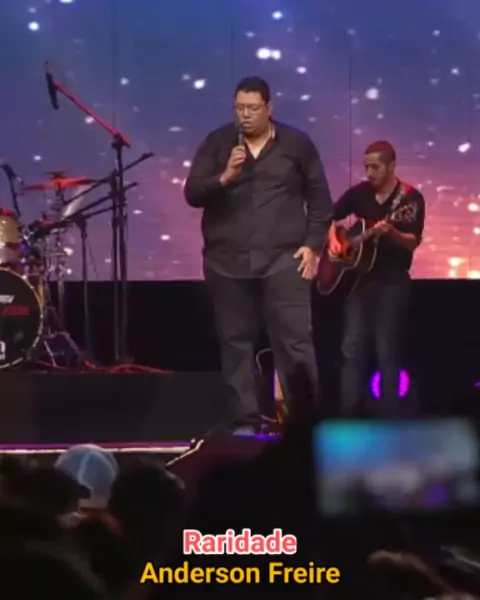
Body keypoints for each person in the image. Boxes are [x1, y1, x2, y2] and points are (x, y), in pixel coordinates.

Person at [184, 76, 333, 433]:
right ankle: (244, 421)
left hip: (284, 260)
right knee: (236, 344)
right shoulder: (218, 143)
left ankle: (303, 424)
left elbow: (321, 201)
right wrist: (224, 177)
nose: (245, 115)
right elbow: (192, 193)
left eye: (252, 108)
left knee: (294, 344)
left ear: (269, 108)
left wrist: (312, 245)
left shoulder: (296, 144)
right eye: (239, 108)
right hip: (227, 262)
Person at [328, 140, 425, 416]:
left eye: (375, 167)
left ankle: (388, 417)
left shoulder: (410, 200)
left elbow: (412, 241)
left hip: (392, 283)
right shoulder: (359, 193)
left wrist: (392, 233)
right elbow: (327, 216)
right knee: (351, 348)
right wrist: (335, 240)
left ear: (391, 167)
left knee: (386, 351)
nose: (369, 173)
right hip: (358, 282)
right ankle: (349, 415)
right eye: (366, 167)